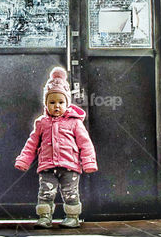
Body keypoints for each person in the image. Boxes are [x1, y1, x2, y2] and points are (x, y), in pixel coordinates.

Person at [14, 66, 98, 227]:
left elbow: (85, 144)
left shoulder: (75, 123)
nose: (57, 106)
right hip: (47, 167)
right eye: (52, 102)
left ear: (67, 103)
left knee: (71, 193)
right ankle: (45, 217)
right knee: (45, 193)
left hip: (70, 167)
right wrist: (24, 160)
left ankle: (72, 217)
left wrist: (89, 162)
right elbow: (31, 143)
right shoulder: (41, 123)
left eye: (61, 102)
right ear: (46, 104)